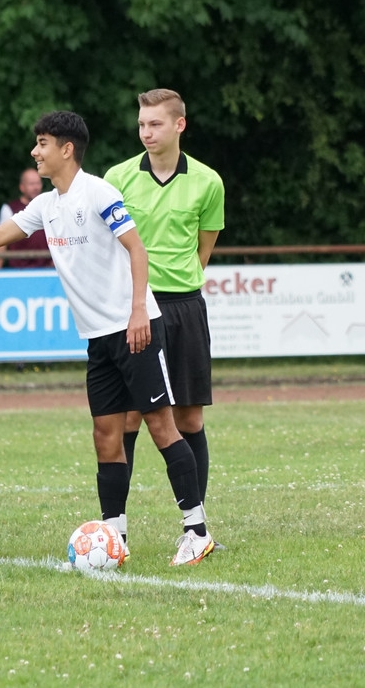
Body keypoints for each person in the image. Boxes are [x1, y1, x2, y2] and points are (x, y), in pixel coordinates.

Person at [0, 111, 215, 566]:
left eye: (42, 143)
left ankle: (196, 531)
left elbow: (137, 249)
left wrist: (138, 310)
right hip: (98, 338)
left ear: (67, 148)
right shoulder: (45, 205)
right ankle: (114, 534)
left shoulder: (99, 192)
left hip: (135, 328)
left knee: (161, 425)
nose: (35, 152)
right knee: (105, 435)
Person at [103, 89, 225, 551]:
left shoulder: (209, 182)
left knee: (189, 416)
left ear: (179, 125)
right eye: (141, 124)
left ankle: (196, 528)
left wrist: (177, 284)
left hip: (184, 308)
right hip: (134, 308)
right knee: (130, 416)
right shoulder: (117, 178)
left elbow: (203, 250)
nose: (146, 133)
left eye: (155, 124)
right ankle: (115, 531)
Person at [0, 168, 50, 269]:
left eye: (38, 183)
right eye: (31, 184)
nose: (36, 187)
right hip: (18, 270)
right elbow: (1, 242)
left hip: (47, 270)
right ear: (22, 187)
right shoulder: (9, 208)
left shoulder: (48, 207)